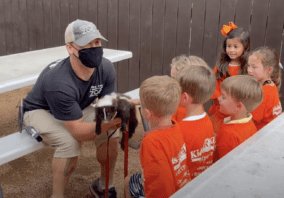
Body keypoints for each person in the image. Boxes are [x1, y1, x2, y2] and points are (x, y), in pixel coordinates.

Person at [23, 19, 121, 198]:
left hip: (76, 106)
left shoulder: (105, 67)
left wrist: (118, 113)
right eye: (86, 44)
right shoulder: (58, 82)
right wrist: (110, 122)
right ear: (70, 48)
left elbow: (109, 103)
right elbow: (79, 132)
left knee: (112, 133)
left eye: (97, 42)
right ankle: (57, 196)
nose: (94, 48)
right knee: (70, 142)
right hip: (41, 110)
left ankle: (104, 186)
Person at [124, 76, 191, 198]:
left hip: (167, 193)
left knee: (128, 182)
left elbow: (160, 186)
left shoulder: (152, 142)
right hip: (182, 186)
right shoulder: (175, 126)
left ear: (146, 113)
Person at [175, 64, 216, 179]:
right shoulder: (207, 120)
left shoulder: (180, 129)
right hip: (200, 179)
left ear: (184, 98)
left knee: (129, 181)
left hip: (184, 185)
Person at [209, 22, 250, 135]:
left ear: (246, 47)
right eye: (229, 46)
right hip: (221, 110)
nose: (231, 50)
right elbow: (213, 86)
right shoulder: (220, 67)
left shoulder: (247, 68)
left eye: (236, 47)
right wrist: (222, 100)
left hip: (238, 112)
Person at [214, 75, 263, 162]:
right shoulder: (250, 124)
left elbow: (223, 166)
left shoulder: (228, 134)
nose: (219, 99)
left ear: (238, 106)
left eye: (223, 97)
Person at [247, 46, 282, 130]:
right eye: (248, 66)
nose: (249, 70)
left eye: (254, 67)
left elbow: (250, 118)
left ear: (269, 70)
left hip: (261, 136)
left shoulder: (264, 92)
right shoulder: (271, 86)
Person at [170, 55, 208, 123]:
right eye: (171, 78)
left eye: (175, 79)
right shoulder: (197, 104)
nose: (171, 82)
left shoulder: (182, 110)